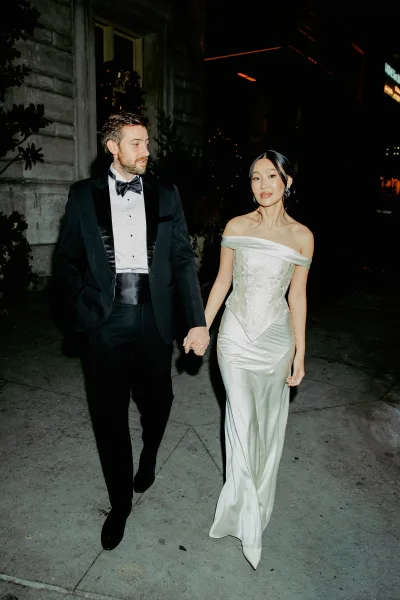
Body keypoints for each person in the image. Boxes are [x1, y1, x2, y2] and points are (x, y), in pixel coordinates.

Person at [52, 112, 209, 551]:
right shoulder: (83, 195)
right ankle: (120, 505)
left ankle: (151, 452)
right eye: (136, 143)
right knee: (109, 416)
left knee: (158, 402)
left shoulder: (166, 194)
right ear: (112, 146)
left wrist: (196, 320)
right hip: (106, 320)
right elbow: (66, 260)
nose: (146, 151)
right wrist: (77, 314)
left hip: (155, 317)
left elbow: (182, 259)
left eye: (146, 142)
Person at [200, 150, 313, 569]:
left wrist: (301, 351)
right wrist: (203, 326)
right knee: (242, 423)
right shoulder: (236, 226)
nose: (263, 185)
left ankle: (250, 505)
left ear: (287, 181)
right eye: (255, 178)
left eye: (271, 176)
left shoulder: (302, 236)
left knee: (264, 428)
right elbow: (222, 282)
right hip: (234, 338)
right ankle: (247, 524)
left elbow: (297, 296)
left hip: (276, 342)